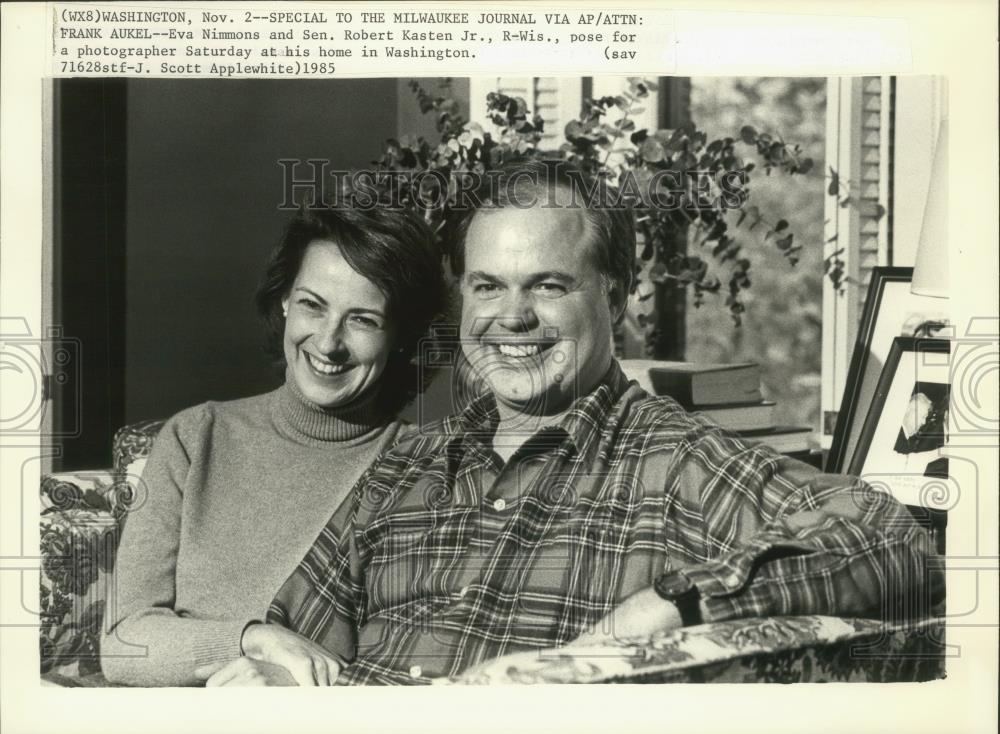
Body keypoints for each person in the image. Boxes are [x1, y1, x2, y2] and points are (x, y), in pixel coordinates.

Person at [226, 160, 940, 686]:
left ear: (617, 298)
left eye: (548, 285)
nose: (512, 318)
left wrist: (665, 607)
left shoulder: (677, 461)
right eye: (487, 286)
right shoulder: (406, 464)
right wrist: (268, 657)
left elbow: (895, 544)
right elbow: (290, 633)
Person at [100, 205, 447, 686]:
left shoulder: (426, 467)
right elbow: (123, 644)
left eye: (363, 320)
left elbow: (418, 663)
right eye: (312, 305)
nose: (328, 344)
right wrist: (254, 638)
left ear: (402, 336)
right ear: (284, 301)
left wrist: (287, 688)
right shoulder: (196, 437)